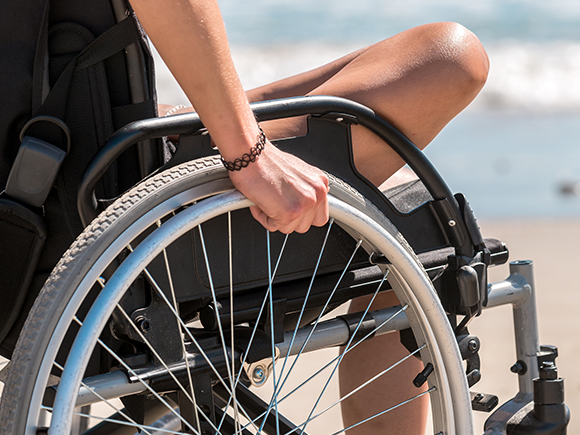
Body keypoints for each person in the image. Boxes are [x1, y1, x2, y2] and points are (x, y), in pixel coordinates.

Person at [130, 0, 489, 433]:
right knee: (452, 57)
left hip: (89, 174)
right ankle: (228, 124)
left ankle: (211, 117)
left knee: (398, 186)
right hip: (151, 201)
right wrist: (248, 154)